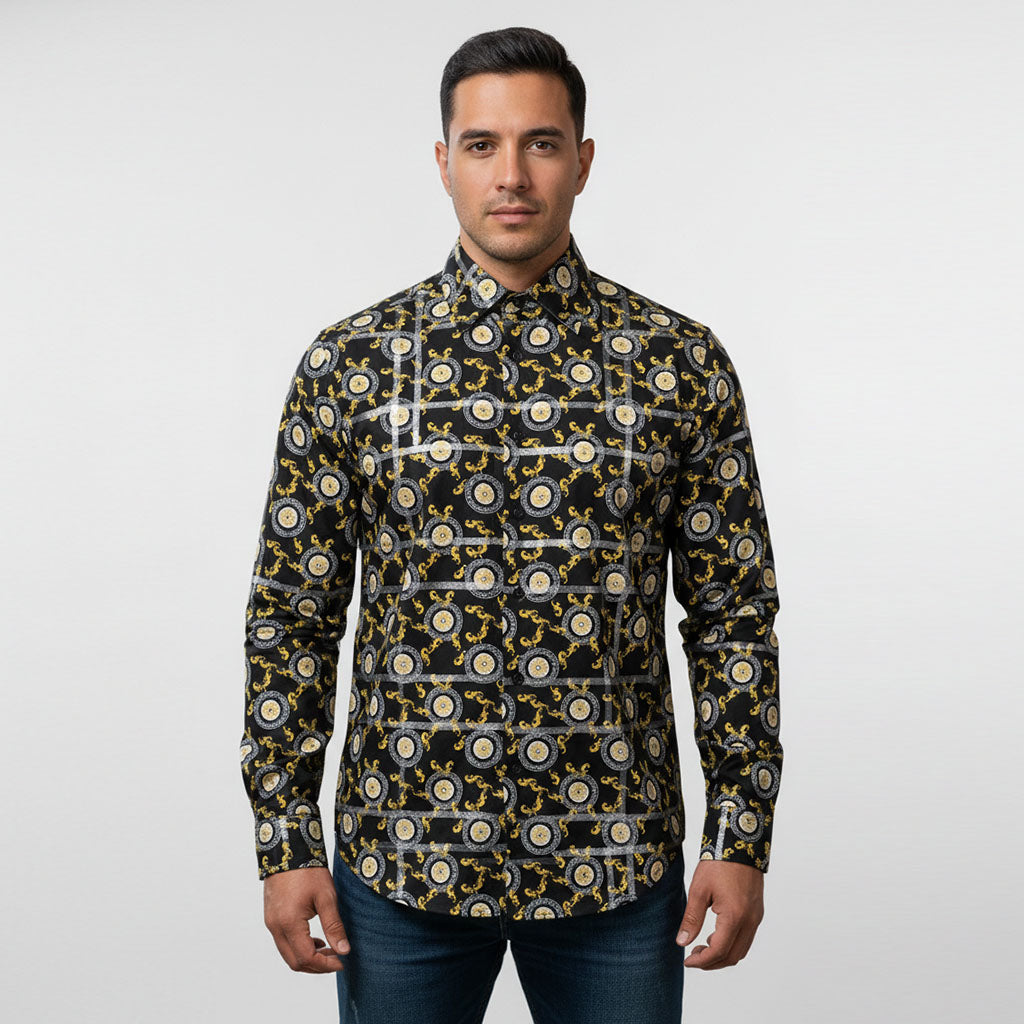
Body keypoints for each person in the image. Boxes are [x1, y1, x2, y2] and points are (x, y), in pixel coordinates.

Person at [239, 25, 783, 1024]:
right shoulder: (350, 364)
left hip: (615, 867)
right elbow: (291, 617)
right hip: (400, 864)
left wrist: (739, 834)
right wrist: (286, 839)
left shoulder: (679, 363)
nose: (512, 175)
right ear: (443, 161)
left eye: (541, 143)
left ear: (583, 159)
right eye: (482, 145)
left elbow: (733, 619)